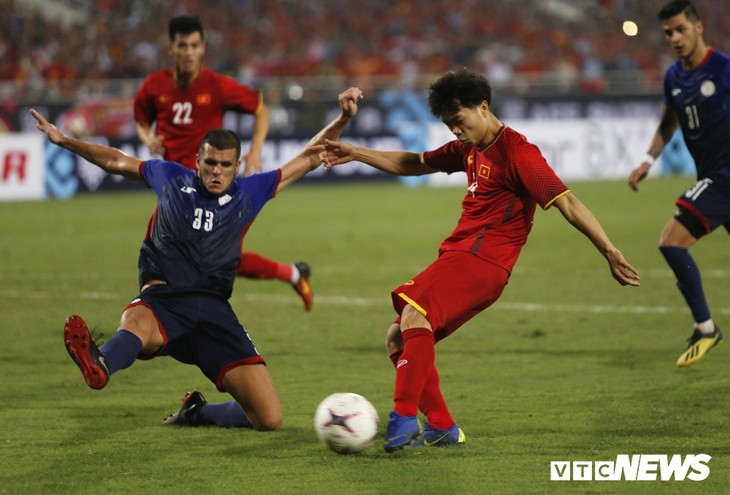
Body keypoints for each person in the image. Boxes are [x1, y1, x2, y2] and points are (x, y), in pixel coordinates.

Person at [317, 69, 640, 452]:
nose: (454, 130)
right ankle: (441, 426)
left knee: (414, 315)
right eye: (448, 124)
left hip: (482, 261)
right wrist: (356, 152)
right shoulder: (469, 148)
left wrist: (609, 250)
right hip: (460, 255)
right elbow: (413, 163)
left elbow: (566, 201)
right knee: (397, 338)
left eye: (459, 120)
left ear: (483, 108)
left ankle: (403, 418)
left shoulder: (518, 153)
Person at [32, 87, 363, 430]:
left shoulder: (251, 191)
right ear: (197, 161)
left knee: (269, 418)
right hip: (164, 298)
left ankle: (197, 412)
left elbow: (310, 157)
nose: (216, 171)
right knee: (137, 325)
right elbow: (116, 159)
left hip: (213, 310)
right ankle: (100, 364)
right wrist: (67, 141)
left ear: (237, 166)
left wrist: (343, 119)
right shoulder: (171, 177)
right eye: (210, 163)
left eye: (224, 165)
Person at [134, 15, 313, 312]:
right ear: (172, 49)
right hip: (177, 190)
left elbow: (260, 109)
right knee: (158, 249)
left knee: (221, 255)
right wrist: (147, 137)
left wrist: (255, 152)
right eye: (183, 46)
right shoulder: (154, 87)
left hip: (214, 185)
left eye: (194, 45)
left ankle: (151, 317)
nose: (189, 52)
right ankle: (294, 274)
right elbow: (141, 119)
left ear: (203, 48)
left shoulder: (217, 86)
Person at [628, 0, 727, 367]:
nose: (675, 37)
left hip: (725, 177)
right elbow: (669, 121)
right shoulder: (674, 76)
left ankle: (706, 329)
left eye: (681, 29)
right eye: (669, 32)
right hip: (713, 177)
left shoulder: (724, 70)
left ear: (698, 27)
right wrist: (647, 160)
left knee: (671, 240)